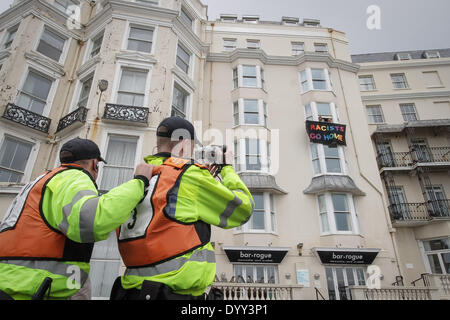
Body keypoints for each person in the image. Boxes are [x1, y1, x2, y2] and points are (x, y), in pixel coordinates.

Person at [110, 117, 254, 300]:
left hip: (130, 292)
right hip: (172, 295)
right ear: (185, 145)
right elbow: (243, 210)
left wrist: (202, 183)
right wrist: (227, 169)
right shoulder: (190, 175)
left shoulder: (139, 178)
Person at [0, 137, 155, 300]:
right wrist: (140, 181)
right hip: (36, 290)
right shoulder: (73, 177)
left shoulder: (42, 180)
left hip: (14, 285)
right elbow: (92, 221)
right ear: (95, 164)